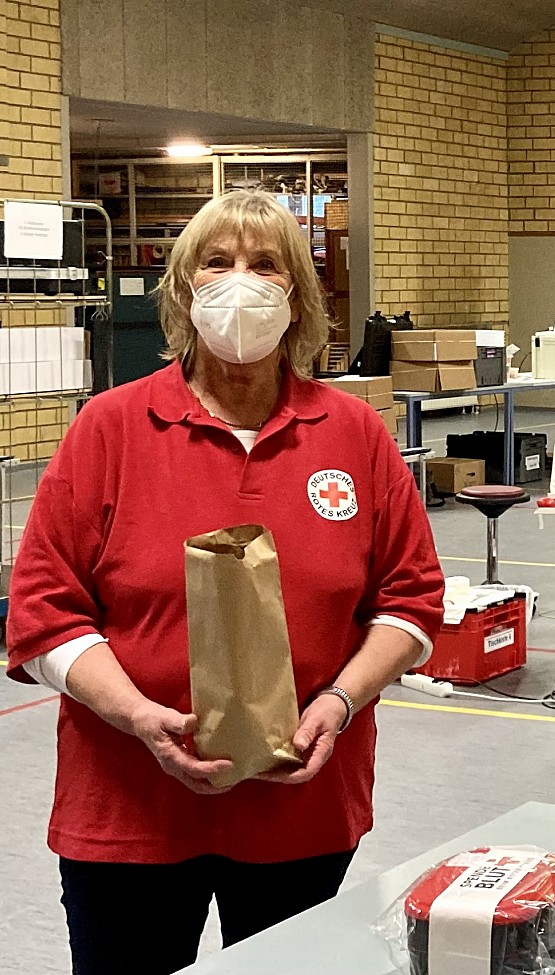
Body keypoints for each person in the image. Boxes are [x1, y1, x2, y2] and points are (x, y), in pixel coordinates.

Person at [5, 190, 445, 975]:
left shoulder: (353, 433)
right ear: (182, 290)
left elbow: (410, 600)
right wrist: (139, 714)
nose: (239, 283)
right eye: (217, 262)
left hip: (301, 809)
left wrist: (339, 702)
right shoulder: (108, 428)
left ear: (298, 297)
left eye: (265, 264)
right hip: (131, 813)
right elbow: (43, 612)